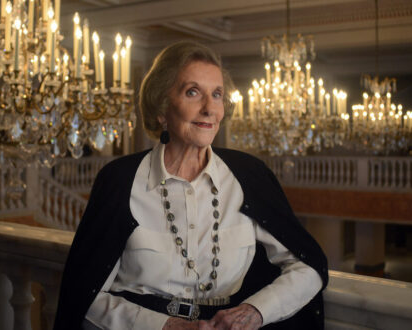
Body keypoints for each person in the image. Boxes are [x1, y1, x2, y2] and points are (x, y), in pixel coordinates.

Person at [54, 41, 328, 330]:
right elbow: (85, 296)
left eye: (218, 94)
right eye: (193, 92)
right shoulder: (119, 180)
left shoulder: (250, 175)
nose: (210, 108)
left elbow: (308, 266)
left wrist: (255, 311)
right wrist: (167, 326)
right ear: (161, 108)